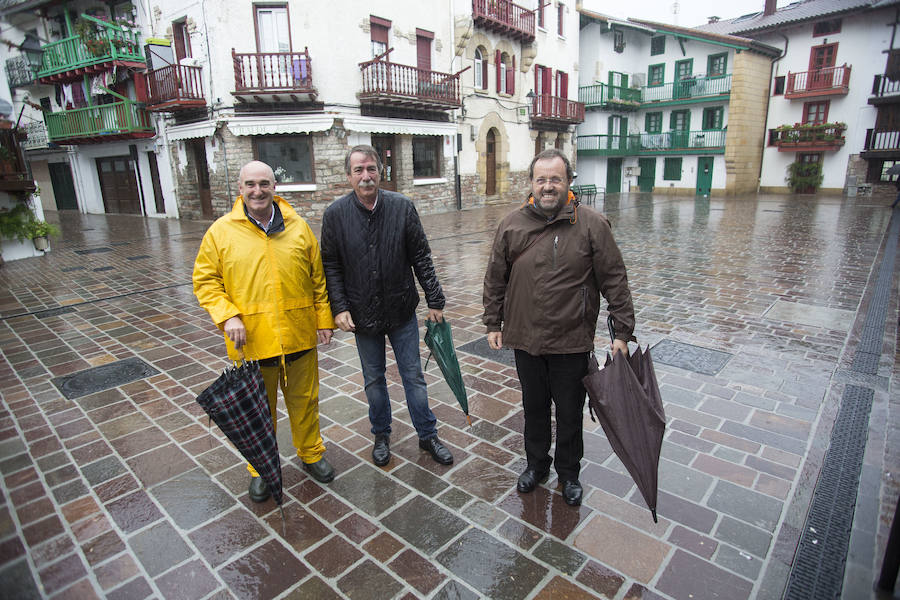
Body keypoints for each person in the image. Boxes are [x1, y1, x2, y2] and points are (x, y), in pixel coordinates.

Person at [482, 149, 636, 507]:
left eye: (555, 179)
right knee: (533, 409)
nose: (548, 186)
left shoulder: (592, 225)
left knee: (569, 414)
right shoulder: (512, 224)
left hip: (571, 340)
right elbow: (494, 278)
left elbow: (615, 279)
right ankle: (536, 465)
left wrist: (623, 332)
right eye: (541, 179)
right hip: (526, 339)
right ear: (531, 183)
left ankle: (569, 474)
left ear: (568, 182)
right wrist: (493, 321)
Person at [193, 160, 336, 502]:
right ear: (240, 189)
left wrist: (324, 319)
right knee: (259, 411)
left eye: (265, 184)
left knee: (306, 403)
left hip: (300, 336)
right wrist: (227, 316)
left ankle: (311, 454)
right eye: (251, 184)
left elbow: (318, 280)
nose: (258, 191)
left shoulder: (299, 228)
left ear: (275, 188)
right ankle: (260, 467)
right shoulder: (221, 232)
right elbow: (205, 281)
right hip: (253, 343)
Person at [320, 145, 454, 468]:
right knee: (374, 380)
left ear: (381, 172)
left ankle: (427, 433)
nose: (365, 176)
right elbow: (331, 265)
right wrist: (338, 307)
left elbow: (421, 256)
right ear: (348, 176)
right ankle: (381, 434)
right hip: (362, 316)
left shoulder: (402, 207)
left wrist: (435, 298)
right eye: (358, 170)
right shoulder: (335, 215)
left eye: (371, 169)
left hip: (401, 309)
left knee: (414, 377)